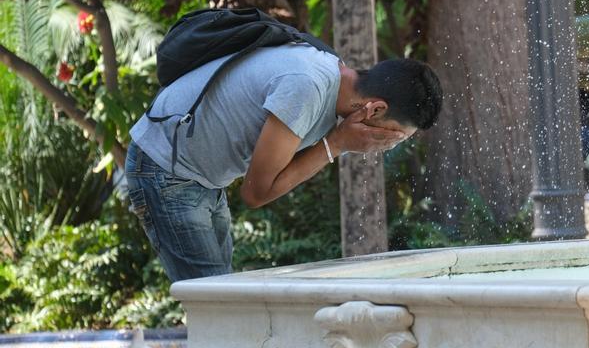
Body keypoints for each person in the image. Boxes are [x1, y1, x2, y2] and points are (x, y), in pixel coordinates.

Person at [124, 41, 443, 282]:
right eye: (395, 136)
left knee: (221, 295)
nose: (387, 145)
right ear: (374, 110)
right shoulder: (308, 88)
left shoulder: (332, 74)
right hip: (165, 169)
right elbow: (256, 193)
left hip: (201, 177)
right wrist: (337, 143)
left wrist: (337, 141)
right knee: (217, 305)